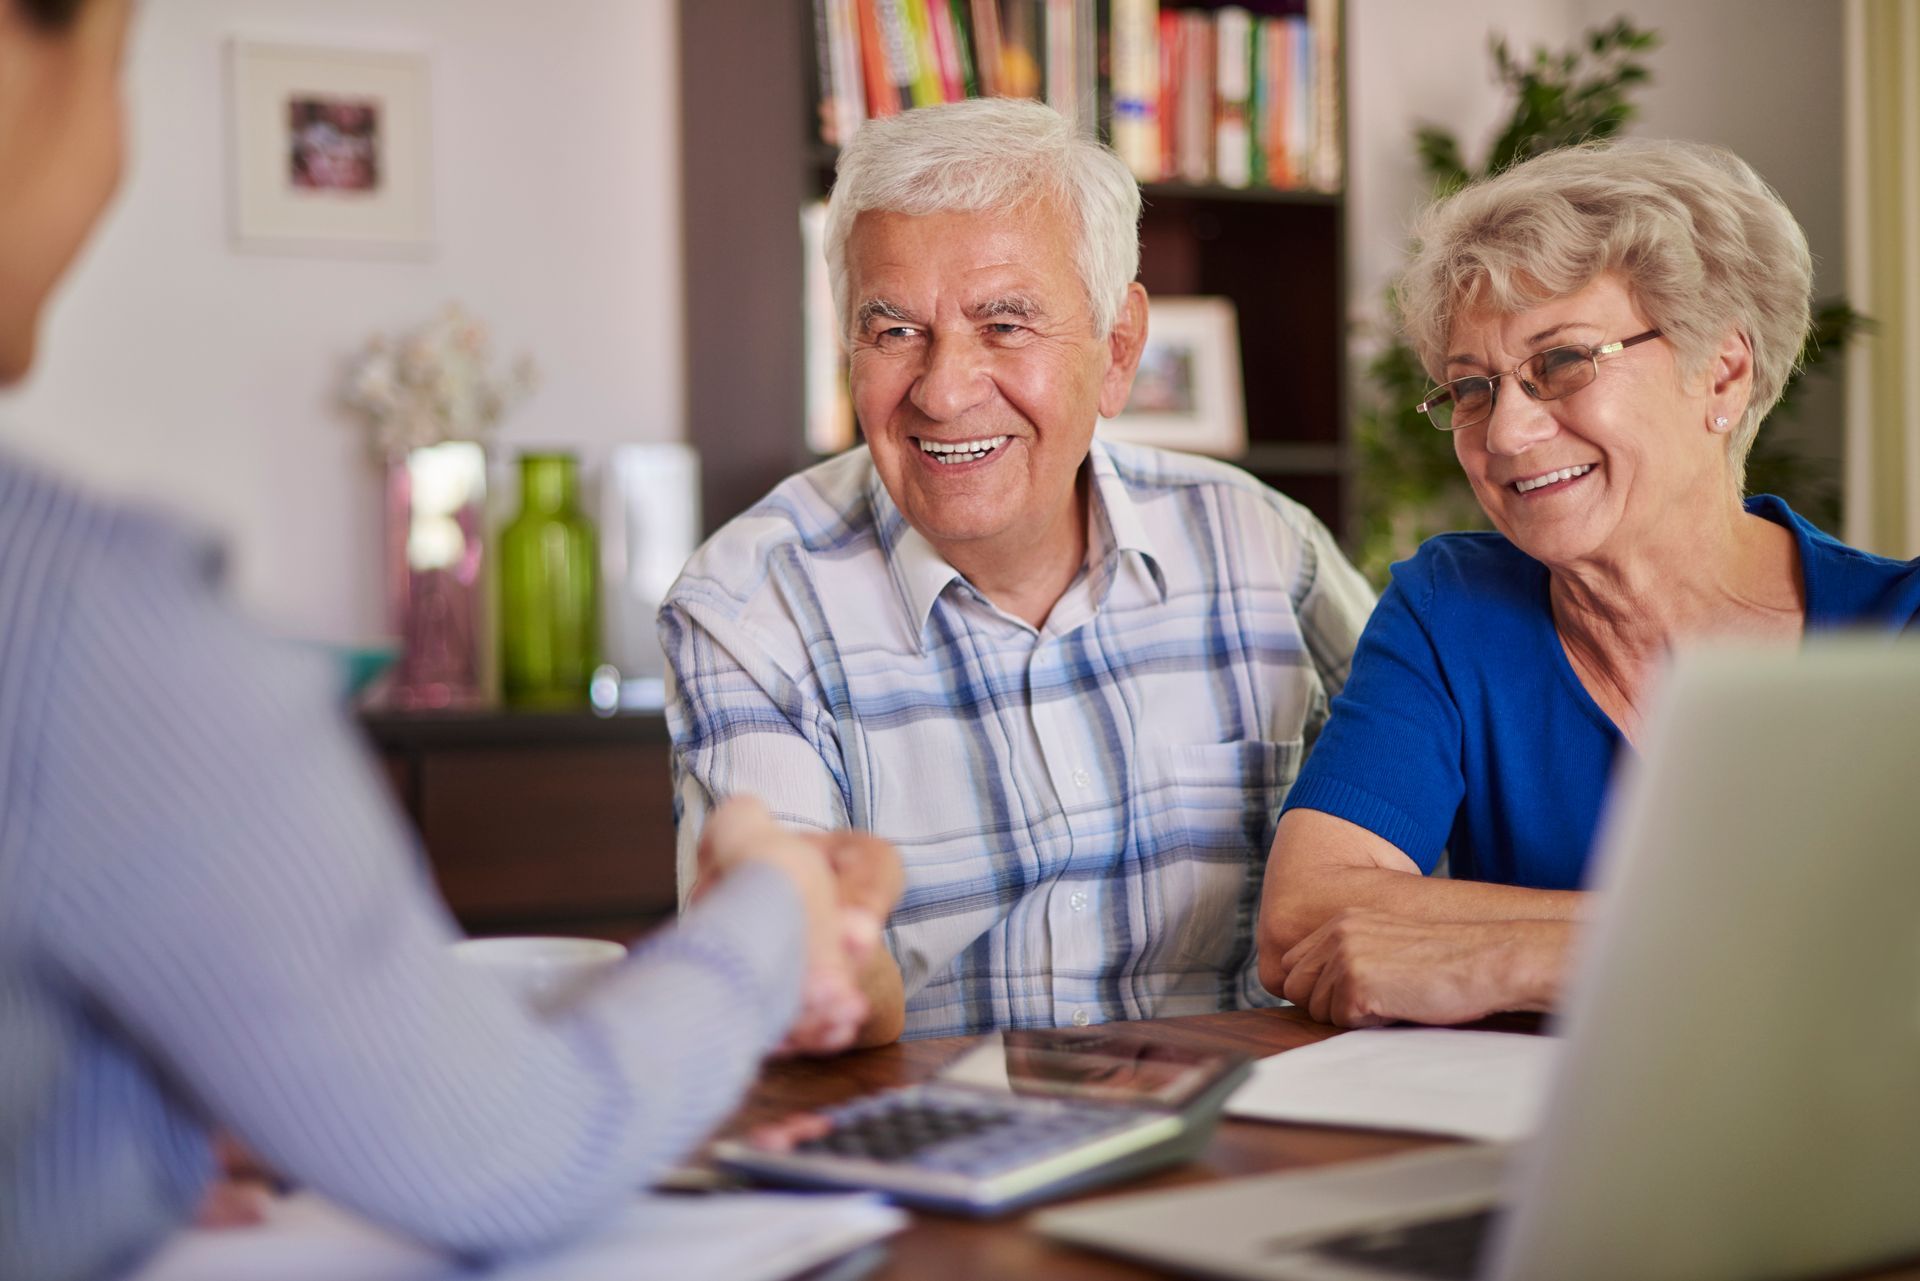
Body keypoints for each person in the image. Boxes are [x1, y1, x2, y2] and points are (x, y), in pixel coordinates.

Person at [0, 4, 901, 1279]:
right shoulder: (80, 616)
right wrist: (771, 901)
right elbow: (516, 1146)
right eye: (114, 69)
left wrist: (117, 1135)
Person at [662, 98, 1374, 1045]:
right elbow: (809, 970)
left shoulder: (1266, 547)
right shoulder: (745, 608)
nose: (945, 390)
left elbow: (1421, 858)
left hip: (1246, 1143)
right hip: (936, 1160)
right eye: (894, 331)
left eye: (1004, 324)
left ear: (1117, 351)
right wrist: (815, 955)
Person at [1257, 139, 1920, 1029]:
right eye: (1471, 388)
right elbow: (1303, 920)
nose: (1507, 433)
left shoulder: (1896, 631)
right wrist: (1717, 945)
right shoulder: (1452, 609)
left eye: (1561, 363)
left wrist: (1530, 952)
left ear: (1721, 371)